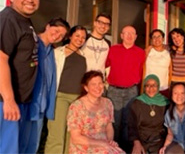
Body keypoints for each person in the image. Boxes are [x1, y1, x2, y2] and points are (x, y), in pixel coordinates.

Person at [0, 0, 40, 154]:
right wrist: (8, 100)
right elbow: (0, 58)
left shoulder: (25, 21)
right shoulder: (8, 19)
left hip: (19, 101)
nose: (30, 0)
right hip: (4, 102)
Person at [27, 18, 70, 153]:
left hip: (40, 107)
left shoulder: (51, 51)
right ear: (47, 26)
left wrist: (49, 108)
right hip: (25, 104)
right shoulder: (30, 43)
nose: (57, 36)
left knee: (33, 145)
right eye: (56, 31)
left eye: (61, 35)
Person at [45, 25, 87, 154]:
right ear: (70, 36)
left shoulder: (85, 55)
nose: (80, 39)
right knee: (57, 133)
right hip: (60, 97)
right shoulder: (58, 52)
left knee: (73, 136)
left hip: (78, 100)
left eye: (83, 37)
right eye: (77, 36)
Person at [105, 25, 145, 151]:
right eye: (126, 33)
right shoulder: (112, 49)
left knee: (128, 122)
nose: (129, 36)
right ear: (121, 35)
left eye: (132, 33)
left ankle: (126, 150)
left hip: (131, 91)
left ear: (136, 36)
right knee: (114, 121)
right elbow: (105, 67)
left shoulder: (141, 52)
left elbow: (143, 72)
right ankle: (113, 149)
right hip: (114, 90)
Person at [67, 70, 125, 154]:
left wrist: (109, 141)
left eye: (100, 83)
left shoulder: (108, 103)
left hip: (105, 144)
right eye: (93, 84)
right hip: (84, 147)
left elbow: (109, 127)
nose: (98, 87)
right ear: (86, 88)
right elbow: (76, 138)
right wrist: (101, 144)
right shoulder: (77, 106)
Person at [128, 74, 169, 154]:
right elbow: (132, 126)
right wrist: (137, 143)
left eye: (154, 85)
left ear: (158, 86)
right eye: (148, 85)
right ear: (144, 87)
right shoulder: (137, 103)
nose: (151, 88)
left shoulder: (165, 103)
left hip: (159, 141)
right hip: (141, 140)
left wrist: (165, 145)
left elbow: (169, 128)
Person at [159, 82, 185, 154]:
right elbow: (170, 135)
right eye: (175, 93)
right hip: (178, 145)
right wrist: (165, 147)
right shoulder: (169, 113)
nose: (179, 96)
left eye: (182, 93)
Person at [145, 29, 171, 98]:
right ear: (151, 39)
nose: (157, 39)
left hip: (163, 87)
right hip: (149, 88)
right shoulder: (148, 51)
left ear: (163, 39)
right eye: (154, 37)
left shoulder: (168, 53)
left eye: (159, 36)